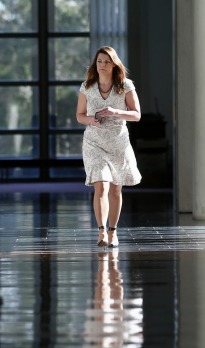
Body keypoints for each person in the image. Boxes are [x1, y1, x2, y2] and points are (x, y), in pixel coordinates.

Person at [76, 46, 142, 248]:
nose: (102, 65)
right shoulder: (87, 86)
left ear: (114, 64)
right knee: (101, 184)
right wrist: (91, 120)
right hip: (94, 142)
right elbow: (80, 115)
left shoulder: (125, 85)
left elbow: (136, 115)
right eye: (99, 62)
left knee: (115, 190)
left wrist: (115, 111)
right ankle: (101, 231)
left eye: (106, 62)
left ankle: (113, 231)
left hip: (118, 143)